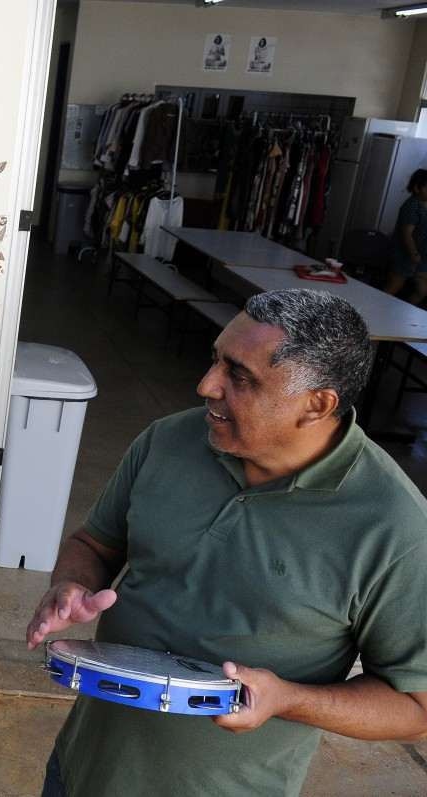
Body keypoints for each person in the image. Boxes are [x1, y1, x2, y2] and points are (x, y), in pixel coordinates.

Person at [27, 289, 427, 797]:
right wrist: (70, 584)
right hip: (82, 768)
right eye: (216, 360)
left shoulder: (395, 527)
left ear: (317, 403)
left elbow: (416, 709)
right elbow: (96, 542)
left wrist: (288, 699)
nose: (206, 385)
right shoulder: (167, 441)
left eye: (239, 376)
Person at [385, 168, 427, 304]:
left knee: (422, 290)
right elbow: (407, 234)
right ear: (417, 188)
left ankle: (402, 315)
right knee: (393, 288)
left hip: (418, 258)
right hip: (405, 256)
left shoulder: (423, 204)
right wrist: (414, 255)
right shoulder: (411, 206)